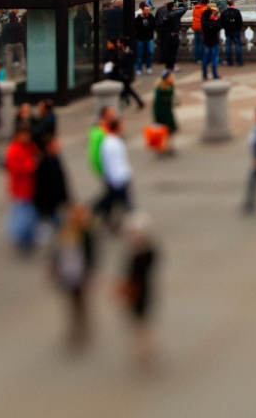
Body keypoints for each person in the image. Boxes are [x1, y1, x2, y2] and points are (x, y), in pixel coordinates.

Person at [120, 213, 159, 368]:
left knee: (142, 322)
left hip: (142, 291)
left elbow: (141, 273)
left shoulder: (146, 253)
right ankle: (144, 348)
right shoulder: (135, 252)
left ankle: (146, 349)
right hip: (134, 290)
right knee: (138, 322)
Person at [3, 126, 41, 253]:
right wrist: (30, 165)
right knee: (22, 214)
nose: (26, 137)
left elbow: (38, 157)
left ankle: (29, 236)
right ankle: (20, 238)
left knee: (30, 214)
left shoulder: (31, 146)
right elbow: (14, 167)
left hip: (31, 187)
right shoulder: (14, 149)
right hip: (20, 188)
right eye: (23, 135)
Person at [94, 113, 133, 226]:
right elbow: (112, 163)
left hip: (119, 176)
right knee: (120, 201)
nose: (124, 126)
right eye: (122, 125)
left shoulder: (114, 141)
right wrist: (119, 176)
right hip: (117, 178)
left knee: (111, 199)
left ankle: (102, 214)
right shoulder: (111, 142)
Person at [150, 71, 179, 157]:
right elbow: (156, 103)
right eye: (170, 77)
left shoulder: (171, 86)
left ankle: (169, 146)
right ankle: (161, 147)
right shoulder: (160, 89)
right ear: (166, 78)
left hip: (168, 110)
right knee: (162, 130)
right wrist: (156, 114)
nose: (172, 79)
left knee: (171, 129)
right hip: (162, 111)